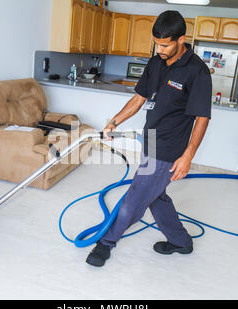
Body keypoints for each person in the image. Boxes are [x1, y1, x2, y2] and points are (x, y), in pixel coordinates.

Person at [86, 10, 212, 267]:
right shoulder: (155, 63)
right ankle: (181, 241)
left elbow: (202, 118)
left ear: (181, 39)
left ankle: (106, 243)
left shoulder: (197, 71)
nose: (160, 49)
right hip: (151, 140)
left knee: (135, 199)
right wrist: (115, 120)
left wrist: (188, 156)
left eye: (165, 45)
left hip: (169, 149)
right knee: (155, 195)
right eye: (157, 43)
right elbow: (139, 98)